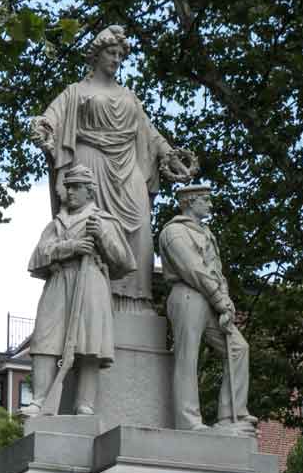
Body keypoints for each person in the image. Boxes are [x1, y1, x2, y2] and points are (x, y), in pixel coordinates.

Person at [31, 25, 194, 313]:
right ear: (96, 54)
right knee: (92, 227)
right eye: (111, 52)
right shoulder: (76, 92)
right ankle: (93, 296)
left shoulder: (129, 97)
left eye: (121, 54)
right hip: (89, 165)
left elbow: (150, 134)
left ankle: (136, 301)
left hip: (128, 169)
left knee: (142, 227)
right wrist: (43, 128)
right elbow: (51, 118)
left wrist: (170, 155)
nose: (117, 59)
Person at [24, 164, 136, 416]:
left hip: (91, 282)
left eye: (76, 187)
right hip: (59, 281)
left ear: (89, 191)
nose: (70, 192)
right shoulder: (57, 223)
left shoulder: (103, 221)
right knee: (45, 339)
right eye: (68, 187)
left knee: (89, 343)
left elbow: (125, 263)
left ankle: (85, 403)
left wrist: (103, 238)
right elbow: (38, 257)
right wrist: (72, 247)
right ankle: (39, 400)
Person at [159, 184, 256, 435]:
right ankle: (188, 421)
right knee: (188, 356)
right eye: (206, 200)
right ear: (191, 201)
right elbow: (192, 268)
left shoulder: (206, 232)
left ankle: (230, 415)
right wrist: (218, 298)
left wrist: (225, 299)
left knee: (238, 348)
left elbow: (216, 270)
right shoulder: (174, 231)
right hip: (188, 294)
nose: (210, 205)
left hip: (212, 298)